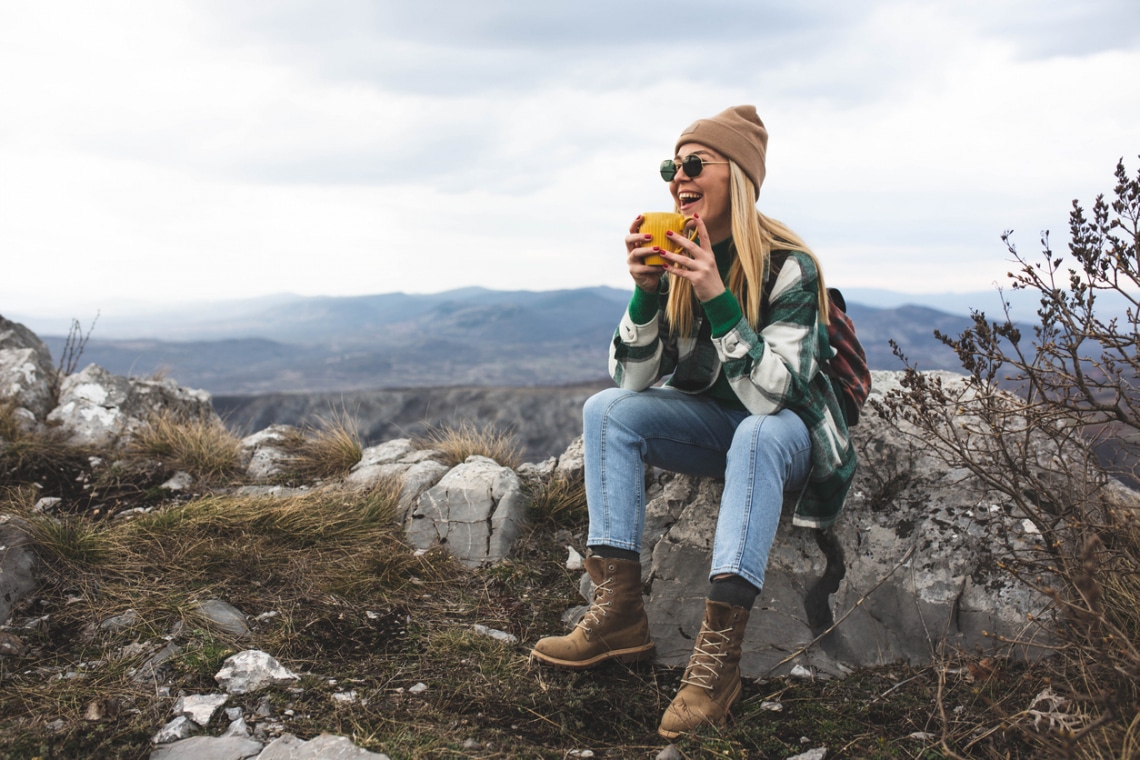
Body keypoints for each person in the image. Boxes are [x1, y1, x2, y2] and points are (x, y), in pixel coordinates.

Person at [530, 105, 857, 739]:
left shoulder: (791, 266)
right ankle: (619, 613)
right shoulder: (680, 256)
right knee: (605, 412)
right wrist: (646, 289)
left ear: (738, 175)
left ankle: (716, 665)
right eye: (671, 168)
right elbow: (629, 381)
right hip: (717, 427)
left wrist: (716, 295)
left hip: (786, 430)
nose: (678, 178)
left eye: (693, 164)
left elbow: (772, 398)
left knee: (758, 433)